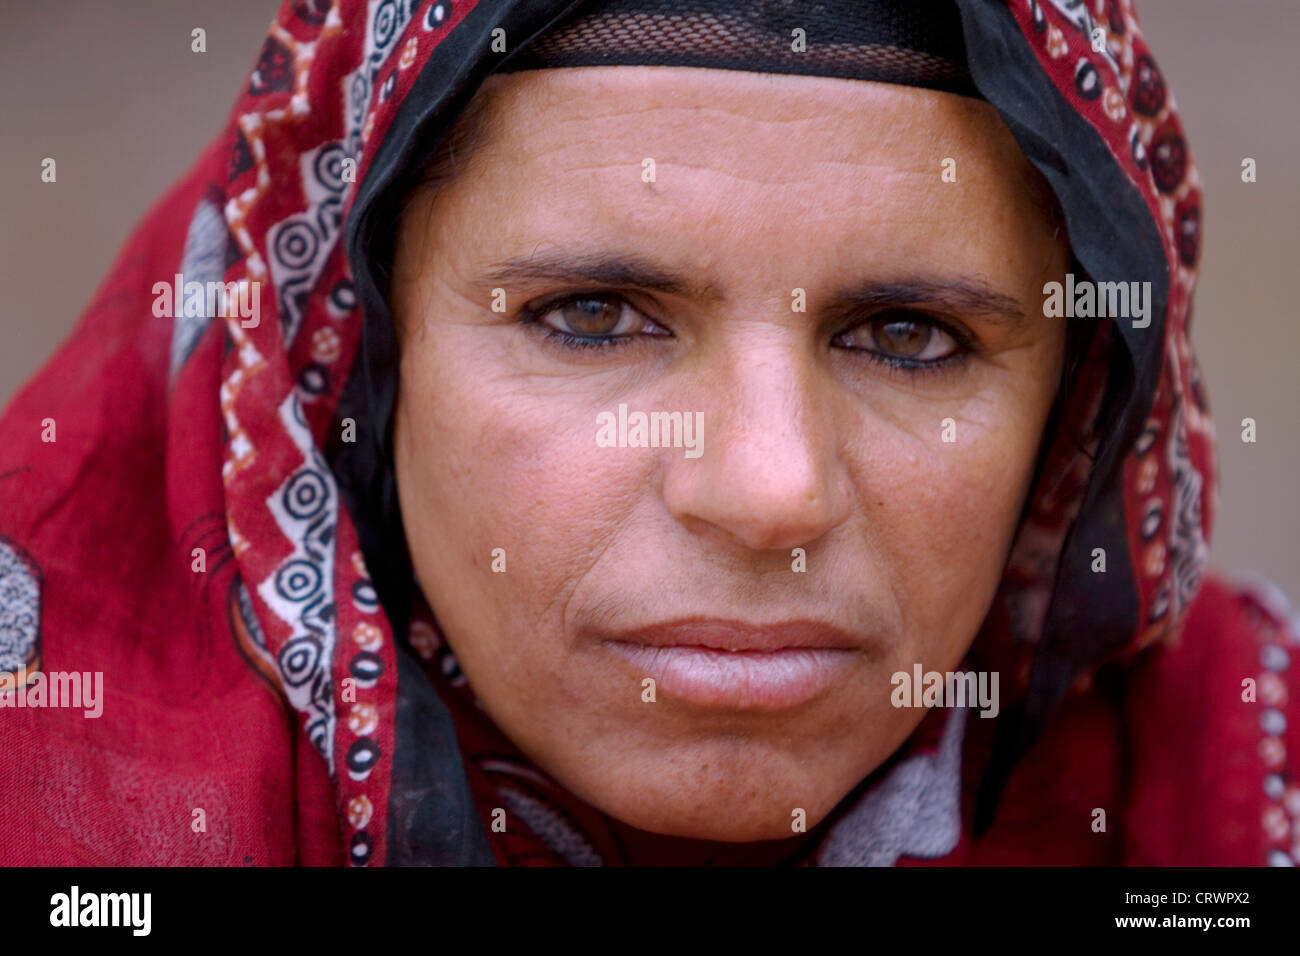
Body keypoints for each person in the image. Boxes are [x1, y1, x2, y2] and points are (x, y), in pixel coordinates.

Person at [0, 0, 1295, 867]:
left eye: (909, 336)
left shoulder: (1229, 805)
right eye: (595, 316)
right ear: (348, 361)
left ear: (1072, 411)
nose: (768, 490)